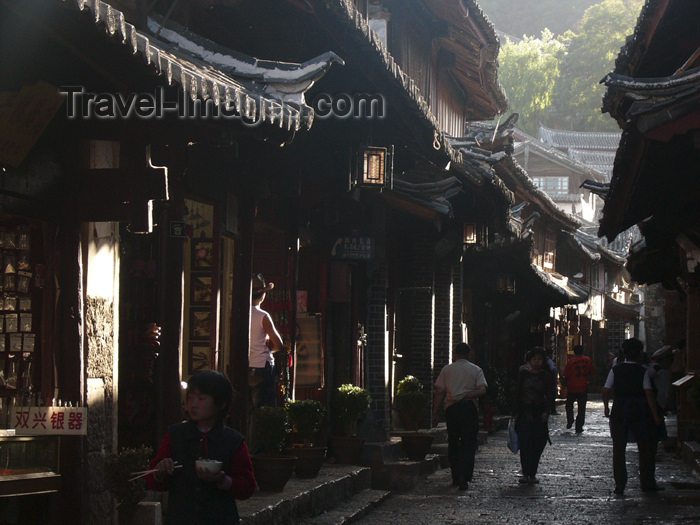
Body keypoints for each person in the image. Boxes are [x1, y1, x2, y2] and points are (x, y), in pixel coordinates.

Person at [147, 370, 256, 524]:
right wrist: (160, 470)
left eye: (201, 398)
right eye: (190, 398)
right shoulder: (176, 435)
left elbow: (248, 486)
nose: (194, 404)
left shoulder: (233, 441)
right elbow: (153, 480)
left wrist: (224, 481)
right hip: (181, 518)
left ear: (221, 403)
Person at [602, 338, 662, 496]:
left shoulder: (616, 369)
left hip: (620, 410)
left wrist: (606, 407)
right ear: (639, 353)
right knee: (645, 448)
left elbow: (606, 389)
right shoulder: (643, 371)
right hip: (640, 411)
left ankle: (620, 484)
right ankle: (646, 482)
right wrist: (655, 415)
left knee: (619, 448)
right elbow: (649, 393)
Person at [433, 343, 487, 491]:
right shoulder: (476, 369)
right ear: (469, 354)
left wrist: (435, 412)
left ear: (454, 354)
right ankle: (465, 475)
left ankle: (456, 475)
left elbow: (439, 392)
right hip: (469, 408)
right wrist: (468, 395)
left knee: (453, 441)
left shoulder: (447, 369)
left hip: (452, 408)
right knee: (468, 442)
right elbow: (482, 390)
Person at [248, 273, 284, 454]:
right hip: (262, 366)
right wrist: (271, 349)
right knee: (262, 413)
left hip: (245, 367)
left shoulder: (237, 312)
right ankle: (258, 454)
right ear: (262, 295)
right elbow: (278, 344)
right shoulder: (262, 316)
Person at [511, 346, 555, 485]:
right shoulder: (524, 374)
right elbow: (518, 393)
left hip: (539, 414)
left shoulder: (546, 377)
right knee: (525, 443)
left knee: (538, 443)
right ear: (530, 360)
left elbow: (550, 396)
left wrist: (547, 411)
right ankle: (525, 472)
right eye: (534, 359)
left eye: (539, 360)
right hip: (525, 413)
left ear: (543, 361)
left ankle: (533, 472)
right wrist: (514, 412)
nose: (536, 362)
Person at [563, 344, 594, 433]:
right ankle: (579, 426)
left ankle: (570, 419)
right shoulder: (587, 360)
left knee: (569, 406)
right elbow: (591, 373)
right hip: (583, 387)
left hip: (572, 387)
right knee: (581, 408)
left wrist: (565, 385)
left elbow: (566, 374)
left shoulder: (571, 361)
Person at [545, 348, 559, 414]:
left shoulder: (544, 360)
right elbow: (553, 370)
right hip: (551, 380)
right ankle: (552, 410)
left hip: (547, 381)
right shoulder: (549, 361)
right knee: (552, 394)